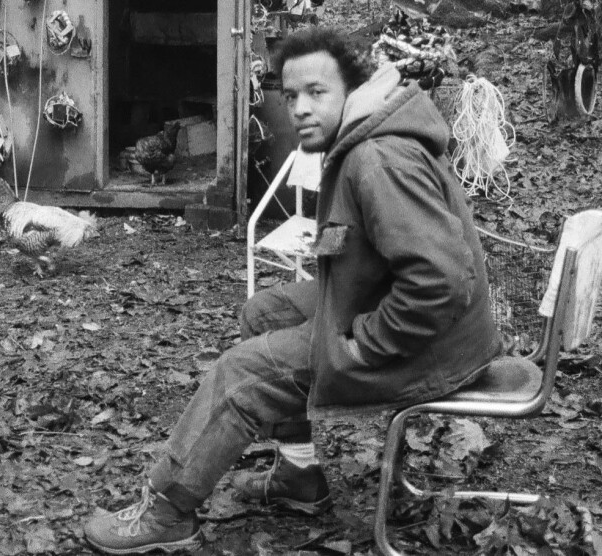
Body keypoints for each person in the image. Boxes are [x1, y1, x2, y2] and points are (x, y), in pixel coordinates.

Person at [83, 26, 502, 554]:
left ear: (352, 91)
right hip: (438, 331)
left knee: (240, 373)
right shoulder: (365, 136)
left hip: (436, 351)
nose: (300, 108)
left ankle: (166, 511)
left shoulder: (379, 159)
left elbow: (442, 282)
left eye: (317, 93)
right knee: (266, 313)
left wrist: (359, 346)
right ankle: (299, 477)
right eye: (291, 96)